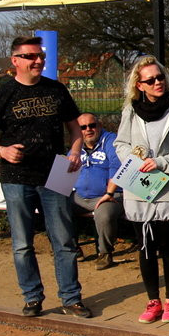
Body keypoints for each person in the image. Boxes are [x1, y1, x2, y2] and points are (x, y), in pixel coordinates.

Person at [0, 36, 91, 318]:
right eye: (30, 57)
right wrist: (3, 151)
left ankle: (71, 298)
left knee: (64, 240)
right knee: (22, 244)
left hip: (56, 174)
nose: (38, 61)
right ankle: (32, 297)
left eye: (40, 56)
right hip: (16, 178)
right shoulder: (3, 94)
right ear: (15, 61)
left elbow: (76, 131)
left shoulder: (56, 90)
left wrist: (74, 153)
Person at [114, 55, 169, 324]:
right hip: (138, 186)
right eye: (151, 80)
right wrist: (134, 160)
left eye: (160, 77)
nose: (158, 82)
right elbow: (120, 144)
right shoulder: (130, 112)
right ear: (140, 85)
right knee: (146, 247)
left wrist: (161, 162)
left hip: (166, 187)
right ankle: (153, 300)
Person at [70, 112, 123, 270]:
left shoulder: (110, 140)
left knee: (104, 213)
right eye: (83, 127)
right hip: (80, 197)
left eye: (92, 125)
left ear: (99, 126)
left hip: (110, 196)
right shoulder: (77, 145)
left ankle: (105, 254)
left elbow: (117, 166)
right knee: (56, 207)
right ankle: (71, 249)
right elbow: (65, 171)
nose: (88, 130)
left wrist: (109, 194)